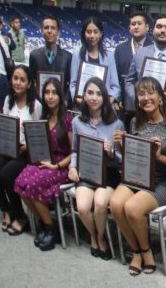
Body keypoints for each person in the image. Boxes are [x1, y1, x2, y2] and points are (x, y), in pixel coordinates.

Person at [110, 76, 166, 276]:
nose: (145, 98)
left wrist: (161, 157)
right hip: (137, 177)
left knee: (132, 208)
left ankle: (146, 250)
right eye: (141, 94)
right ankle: (136, 250)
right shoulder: (135, 122)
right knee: (116, 204)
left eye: (151, 92)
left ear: (161, 97)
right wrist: (121, 146)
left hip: (165, 182)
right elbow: (131, 157)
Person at [14, 76, 74, 250]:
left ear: (60, 96)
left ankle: (51, 229)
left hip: (61, 166)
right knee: (20, 183)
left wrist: (57, 166)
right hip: (44, 162)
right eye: (47, 92)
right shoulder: (43, 118)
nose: (50, 96)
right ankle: (44, 221)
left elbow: (75, 152)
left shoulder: (68, 119)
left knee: (33, 185)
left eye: (54, 93)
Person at [68, 77, 124, 259]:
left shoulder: (116, 124)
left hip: (109, 173)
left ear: (105, 97)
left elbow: (122, 160)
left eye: (99, 94)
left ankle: (101, 238)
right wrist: (73, 167)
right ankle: (94, 236)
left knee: (100, 204)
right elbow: (75, 150)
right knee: (83, 207)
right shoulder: (77, 122)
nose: (94, 97)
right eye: (90, 93)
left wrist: (110, 153)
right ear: (84, 96)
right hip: (87, 172)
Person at [0, 64, 37, 235]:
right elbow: (5, 128)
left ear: (29, 83)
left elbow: (40, 137)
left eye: (22, 80)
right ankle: (6, 210)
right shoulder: (8, 100)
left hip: (25, 152)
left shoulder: (35, 106)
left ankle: (21, 215)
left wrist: (27, 145)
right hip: (9, 149)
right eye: (15, 78)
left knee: (6, 173)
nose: (18, 83)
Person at [69, 16, 122, 104]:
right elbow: (73, 84)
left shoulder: (109, 56)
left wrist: (109, 100)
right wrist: (78, 99)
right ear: (84, 33)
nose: (92, 36)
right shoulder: (77, 54)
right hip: (83, 106)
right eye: (89, 32)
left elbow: (115, 87)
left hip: (103, 107)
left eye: (95, 32)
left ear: (100, 34)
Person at [114, 11, 152, 117]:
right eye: (133, 24)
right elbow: (116, 77)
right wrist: (119, 98)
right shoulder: (120, 49)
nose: (136, 27)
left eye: (139, 23)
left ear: (147, 27)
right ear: (129, 28)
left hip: (147, 103)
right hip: (124, 105)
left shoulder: (154, 49)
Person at [27, 15, 73, 104]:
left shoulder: (68, 57)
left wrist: (66, 101)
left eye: (53, 28)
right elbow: (31, 82)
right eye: (46, 28)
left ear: (58, 32)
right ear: (41, 31)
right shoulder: (34, 55)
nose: (49, 31)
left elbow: (71, 84)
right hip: (40, 105)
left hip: (60, 106)